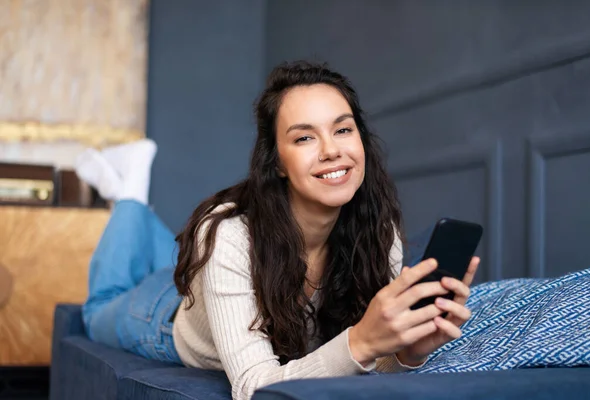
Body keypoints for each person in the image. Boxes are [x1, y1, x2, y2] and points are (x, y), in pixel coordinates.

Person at [75, 61, 480, 400]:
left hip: (215, 278)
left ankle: (141, 216)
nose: (332, 150)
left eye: (343, 129)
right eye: (305, 137)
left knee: (178, 259)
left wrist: (409, 352)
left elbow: (377, 362)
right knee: (97, 310)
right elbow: (255, 387)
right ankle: (128, 192)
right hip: (165, 316)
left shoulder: (379, 233)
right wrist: (361, 340)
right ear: (277, 162)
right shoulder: (229, 233)